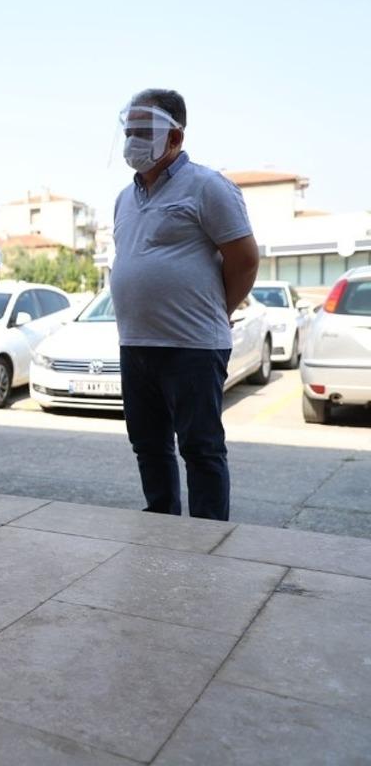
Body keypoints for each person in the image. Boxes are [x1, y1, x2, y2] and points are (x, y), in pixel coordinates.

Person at [110, 89, 259, 521]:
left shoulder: (208, 186)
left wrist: (217, 311)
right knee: (148, 444)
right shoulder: (124, 197)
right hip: (136, 343)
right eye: (129, 130)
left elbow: (245, 259)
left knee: (200, 447)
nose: (133, 139)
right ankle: (161, 521)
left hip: (193, 345)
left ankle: (208, 536)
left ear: (174, 137)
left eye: (144, 131)